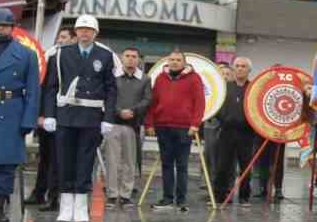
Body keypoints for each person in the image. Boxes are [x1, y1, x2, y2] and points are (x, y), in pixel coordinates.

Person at [40, 15, 117, 222]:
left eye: (89, 30)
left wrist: (108, 117)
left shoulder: (105, 55)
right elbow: (51, 87)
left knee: (85, 162)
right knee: (64, 161)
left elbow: (111, 89)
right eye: (81, 29)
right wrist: (49, 115)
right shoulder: (61, 54)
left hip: (91, 117)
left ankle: (81, 210)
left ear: (95, 33)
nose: (84, 33)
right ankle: (65, 209)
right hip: (66, 115)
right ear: (76, 32)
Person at [145, 49, 206, 211]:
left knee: (182, 165)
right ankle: (167, 198)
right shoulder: (160, 78)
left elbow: (200, 103)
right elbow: (152, 102)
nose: (174, 62)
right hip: (163, 126)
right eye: (172, 59)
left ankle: (181, 199)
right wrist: (150, 123)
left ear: (184, 62)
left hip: (184, 128)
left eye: (178, 60)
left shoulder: (194, 78)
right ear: (168, 61)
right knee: (166, 164)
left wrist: (195, 124)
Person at [0, 7, 41, 222]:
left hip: (11, 110)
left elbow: (33, 91)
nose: (0, 29)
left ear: (12, 28)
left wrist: (28, 121)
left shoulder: (26, 54)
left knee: (6, 165)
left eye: (4, 26)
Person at [24, 25, 70, 211]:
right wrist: (41, 115)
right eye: (59, 36)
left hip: (64, 118)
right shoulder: (49, 57)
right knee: (45, 157)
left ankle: (54, 196)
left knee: (58, 160)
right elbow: (43, 89)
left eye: (65, 37)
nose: (60, 40)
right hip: (47, 117)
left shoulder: (72, 60)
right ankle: (39, 192)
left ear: (73, 39)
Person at [103, 46, 150, 207]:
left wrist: (133, 111)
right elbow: (107, 97)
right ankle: (111, 194)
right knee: (112, 160)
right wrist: (118, 111)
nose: (130, 58)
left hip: (133, 125)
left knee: (130, 162)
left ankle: (125, 194)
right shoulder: (112, 76)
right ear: (122, 58)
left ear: (139, 59)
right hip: (113, 123)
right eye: (127, 56)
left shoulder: (145, 79)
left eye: (134, 56)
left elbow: (147, 100)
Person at [213, 56, 261, 205]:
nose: (240, 68)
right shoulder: (225, 87)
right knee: (222, 165)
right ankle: (220, 196)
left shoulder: (254, 88)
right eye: (238, 66)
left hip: (246, 134)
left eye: (243, 66)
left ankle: (244, 196)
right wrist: (224, 119)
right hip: (227, 131)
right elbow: (217, 106)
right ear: (233, 68)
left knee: (246, 166)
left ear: (249, 70)